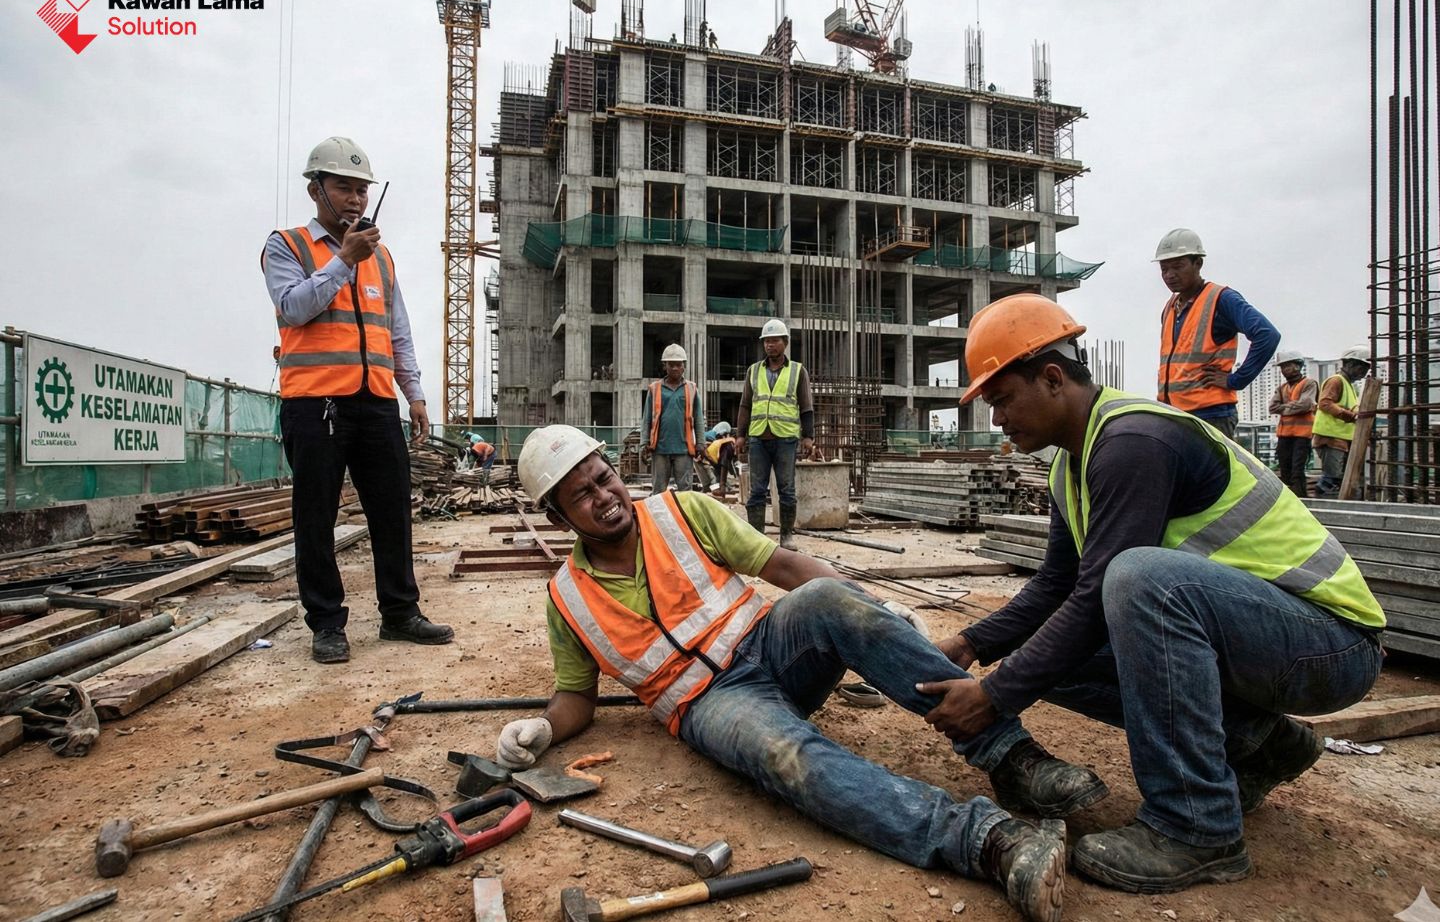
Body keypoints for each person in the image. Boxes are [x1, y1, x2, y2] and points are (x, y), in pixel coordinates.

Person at [495, 425, 1120, 922]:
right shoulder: (568, 598)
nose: (605, 497)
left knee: (828, 601)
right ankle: (988, 841)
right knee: (784, 753)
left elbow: (786, 568)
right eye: (582, 494)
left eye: (604, 479)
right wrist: (544, 730)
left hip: (773, 646)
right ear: (559, 517)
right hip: (712, 703)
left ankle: (1015, 760)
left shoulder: (681, 511)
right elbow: (577, 697)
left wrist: (869, 609)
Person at [942, 293, 1384, 894]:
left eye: (1001, 399)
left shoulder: (1134, 441)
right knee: (1050, 657)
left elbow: (1099, 591)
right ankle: (1263, 745)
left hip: (1331, 644)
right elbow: (1054, 587)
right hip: (1268, 640)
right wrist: (972, 643)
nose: (997, 419)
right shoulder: (1069, 466)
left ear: (1051, 378)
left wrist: (993, 699)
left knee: (1137, 580)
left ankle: (1196, 827)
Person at [262, 136, 454, 664]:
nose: (354, 199)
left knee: (392, 511)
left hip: (374, 402)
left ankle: (400, 613)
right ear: (315, 189)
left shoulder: (381, 258)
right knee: (316, 516)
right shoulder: (287, 246)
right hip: (314, 404)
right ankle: (327, 624)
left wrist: (413, 394)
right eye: (343, 187)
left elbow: (398, 330)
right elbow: (294, 308)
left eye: (361, 190)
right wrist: (343, 261)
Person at [1153, 228, 1280, 439]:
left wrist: (1235, 380)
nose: (1169, 275)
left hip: (1211, 415)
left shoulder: (1221, 299)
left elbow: (1267, 335)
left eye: (1177, 267)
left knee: (1211, 473)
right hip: (1174, 412)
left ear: (1198, 263)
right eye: (1164, 269)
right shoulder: (1170, 307)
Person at [737, 319, 814, 550]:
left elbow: (806, 406)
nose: (770, 345)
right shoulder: (753, 371)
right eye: (767, 341)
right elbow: (745, 405)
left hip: (786, 440)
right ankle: (756, 538)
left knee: (786, 490)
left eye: (775, 340)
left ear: (785, 343)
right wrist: (740, 435)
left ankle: (787, 536)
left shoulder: (797, 371)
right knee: (757, 490)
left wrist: (808, 436)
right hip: (759, 438)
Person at [641, 344, 705, 493]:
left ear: (684, 366)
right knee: (658, 490)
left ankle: (682, 517)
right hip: (660, 448)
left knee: (685, 491)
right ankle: (658, 517)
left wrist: (701, 443)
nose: (675, 368)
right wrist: (643, 443)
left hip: (683, 448)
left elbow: (699, 419)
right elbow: (647, 419)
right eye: (671, 365)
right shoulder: (655, 389)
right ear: (665, 366)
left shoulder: (691, 389)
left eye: (678, 365)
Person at [1312, 345, 1372, 497]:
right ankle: (1324, 510)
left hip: (1341, 439)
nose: (1365, 373)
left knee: (1339, 479)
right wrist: (1351, 416)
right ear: (1351, 364)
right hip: (1330, 438)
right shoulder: (1336, 381)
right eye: (1363, 368)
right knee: (1331, 479)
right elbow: (1325, 403)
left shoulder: (1349, 386)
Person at [1266, 349, 1317, 498]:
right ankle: (1289, 499)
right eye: (1283, 367)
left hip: (1301, 436)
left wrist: (1284, 408)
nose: (1285, 370)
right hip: (1285, 436)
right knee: (1285, 471)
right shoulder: (1282, 388)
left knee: (1297, 471)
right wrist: (1293, 407)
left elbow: (1306, 405)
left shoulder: (1309, 384)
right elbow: (1272, 408)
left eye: (1288, 366)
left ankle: (1301, 499)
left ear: (1298, 366)